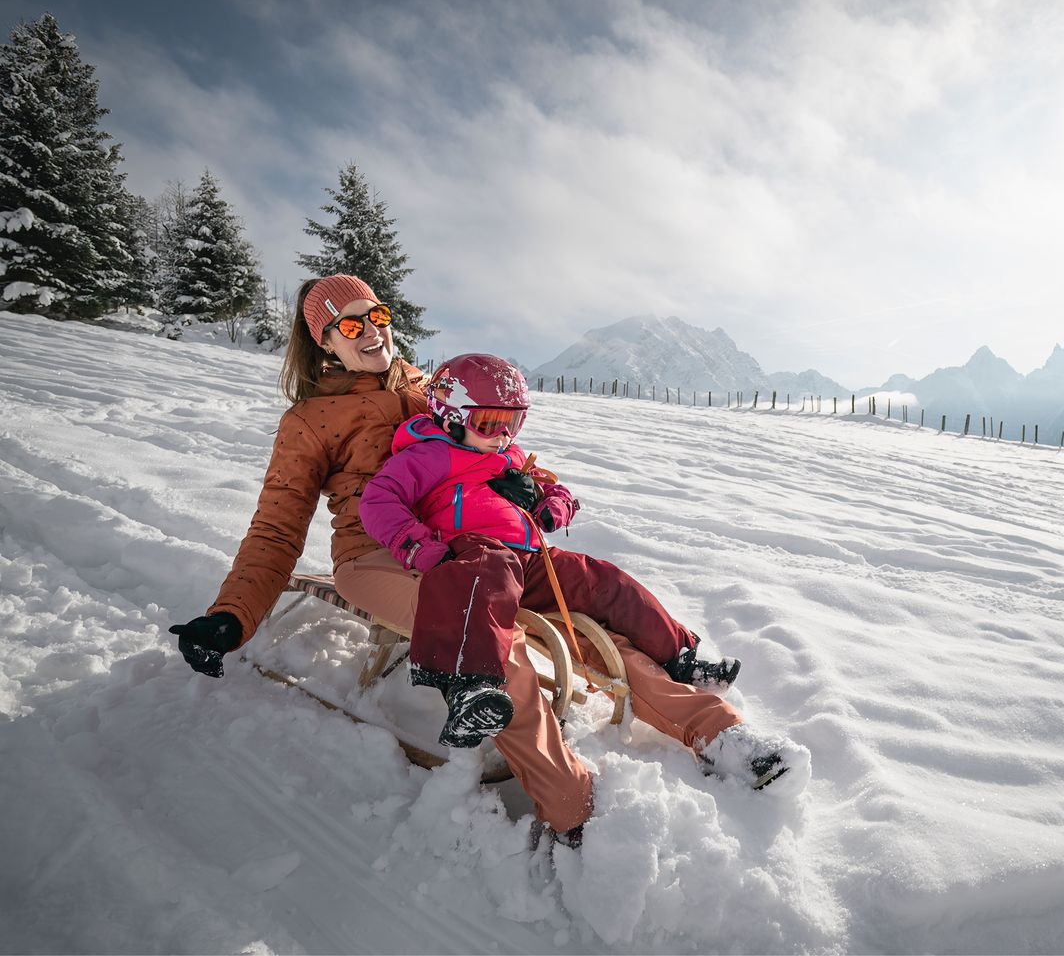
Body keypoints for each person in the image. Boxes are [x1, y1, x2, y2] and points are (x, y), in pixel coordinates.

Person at [169, 278, 805, 842]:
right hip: (379, 557)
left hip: (486, 549)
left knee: (592, 630)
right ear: (324, 343)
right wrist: (232, 616)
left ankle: (721, 735)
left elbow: (510, 453)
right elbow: (277, 530)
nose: (374, 334)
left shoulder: (431, 388)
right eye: (352, 325)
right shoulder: (309, 421)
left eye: (380, 316)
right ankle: (572, 805)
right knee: (498, 647)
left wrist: (531, 491)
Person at [357, 353, 744, 749]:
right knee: (489, 571)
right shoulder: (427, 456)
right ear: (451, 416)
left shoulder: (511, 456)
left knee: (602, 578)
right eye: (489, 423)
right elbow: (377, 502)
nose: (502, 435)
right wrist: (422, 549)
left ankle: (679, 655)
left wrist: (549, 506)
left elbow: (559, 490)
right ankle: (469, 689)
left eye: (513, 424)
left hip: (531, 561)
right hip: (474, 556)